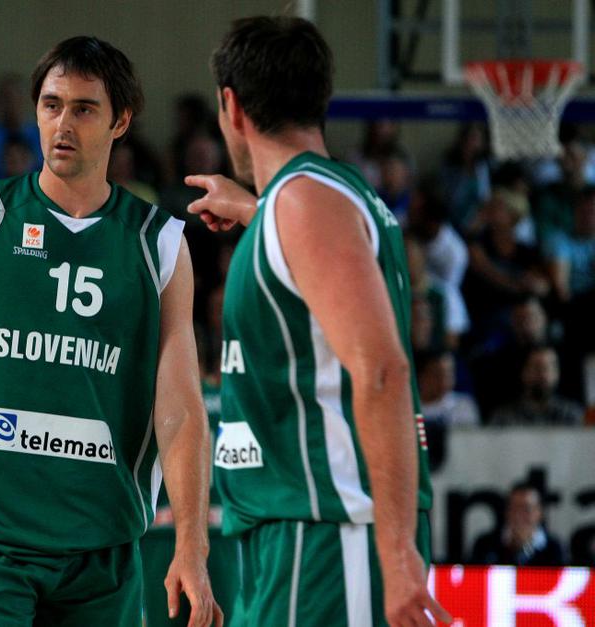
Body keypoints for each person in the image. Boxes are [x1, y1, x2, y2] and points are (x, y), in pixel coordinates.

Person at [0, 36, 221, 627]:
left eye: (84, 109)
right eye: (52, 105)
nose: (63, 124)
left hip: (100, 549)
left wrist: (192, 543)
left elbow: (180, 406)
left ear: (121, 121)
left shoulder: (158, 242)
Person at [185, 16, 450, 626]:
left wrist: (397, 555)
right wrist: (255, 211)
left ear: (232, 106)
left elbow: (381, 371)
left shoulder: (305, 202)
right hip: (296, 534)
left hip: (330, 535)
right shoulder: (307, 202)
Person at [471, 483, 567, 566]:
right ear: (506, 511)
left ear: (539, 513)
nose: (519, 515)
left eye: (526, 509)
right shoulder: (485, 544)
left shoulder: (554, 549)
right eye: (514, 508)